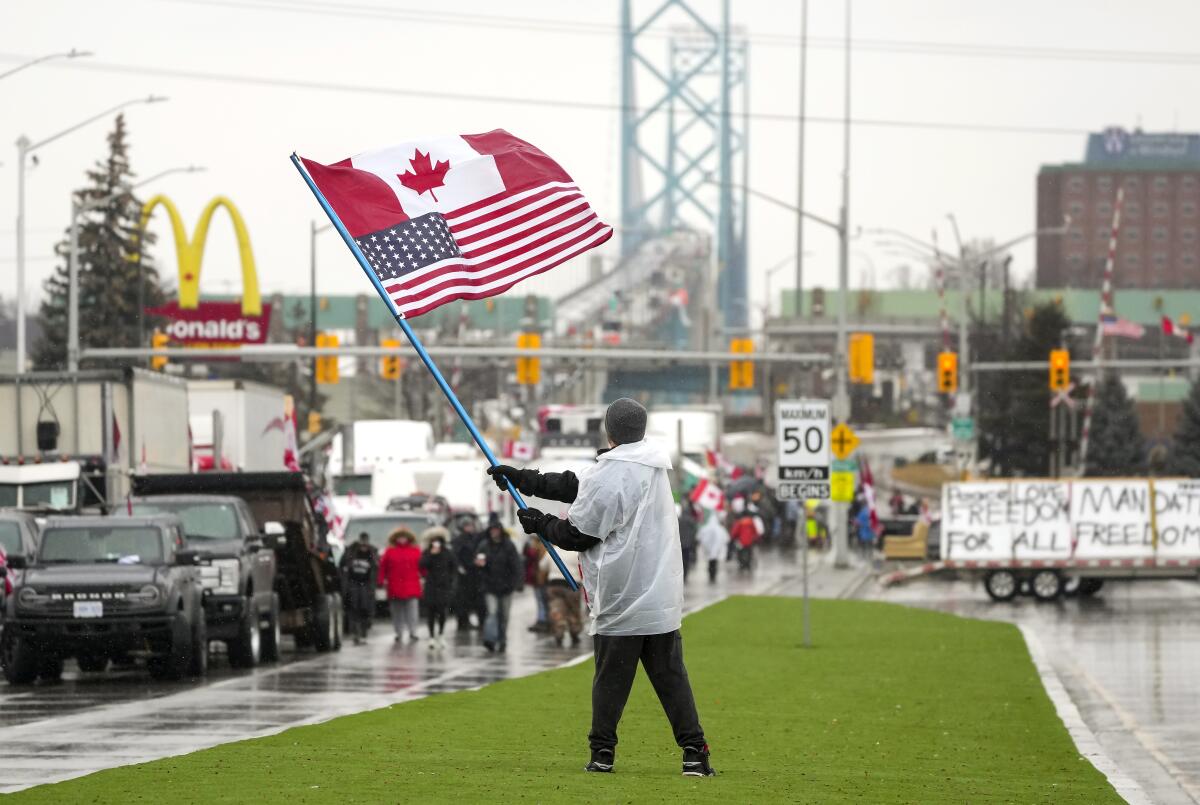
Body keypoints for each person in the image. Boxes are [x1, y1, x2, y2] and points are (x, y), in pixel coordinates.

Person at [487, 397, 716, 778]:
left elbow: (578, 534)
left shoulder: (614, 474)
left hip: (622, 597)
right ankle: (695, 754)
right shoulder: (651, 462)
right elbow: (578, 484)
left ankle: (602, 755)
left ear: (609, 430)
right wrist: (522, 478)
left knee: (610, 682)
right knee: (672, 680)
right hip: (659, 598)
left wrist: (538, 522)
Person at [475, 514, 522, 653]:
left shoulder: (509, 545)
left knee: (504, 616)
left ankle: (502, 640)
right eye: (492, 530)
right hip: (490, 586)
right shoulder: (483, 546)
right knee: (492, 613)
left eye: (496, 529)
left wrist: (517, 582)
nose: (494, 532)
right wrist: (479, 567)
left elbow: (516, 565)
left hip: (506, 586)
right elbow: (478, 565)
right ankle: (490, 639)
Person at [378, 528, 422, 644]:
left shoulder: (416, 551)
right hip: (394, 585)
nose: (402, 539)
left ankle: (413, 632)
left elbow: (422, 567)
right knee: (396, 612)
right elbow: (383, 567)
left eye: (404, 537)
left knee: (412, 611)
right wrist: (381, 580)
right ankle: (398, 632)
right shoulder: (389, 551)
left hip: (411, 585)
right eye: (400, 537)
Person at [419, 527, 456, 650]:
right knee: (430, 613)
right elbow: (422, 564)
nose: (436, 542)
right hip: (431, 586)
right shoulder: (427, 552)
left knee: (442, 612)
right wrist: (431, 554)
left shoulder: (447, 552)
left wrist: (450, 581)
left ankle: (441, 634)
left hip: (444, 586)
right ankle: (431, 636)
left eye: (438, 540)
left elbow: (453, 567)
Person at [538, 544, 583, 647]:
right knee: (573, 610)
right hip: (572, 584)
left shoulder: (552, 551)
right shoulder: (576, 552)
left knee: (556, 609)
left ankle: (559, 632)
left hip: (555, 584)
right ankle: (574, 631)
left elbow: (542, 566)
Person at [339, 532, 379, 645]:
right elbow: (342, 566)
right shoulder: (351, 552)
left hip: (366, 585)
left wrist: (374, 585)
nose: (363, 546)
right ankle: (356, 634)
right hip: (353, 584)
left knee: (365, 609)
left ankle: (363, 634)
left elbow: (376, 569)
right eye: (362, 543)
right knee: (353, 609)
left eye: (365, 543)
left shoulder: (372, 553)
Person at [451, 518, 485, 630]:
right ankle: (463, 622)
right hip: (464, 575)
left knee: (477, 599)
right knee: (463, 600)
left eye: (471, 525)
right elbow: (455, 556)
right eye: (467, 526)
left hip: (475, 573)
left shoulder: (475, 538)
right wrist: (460, 567)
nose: (470, 528)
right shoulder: (459, 540)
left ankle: (480, 621)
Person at [524, 537, 549, 633]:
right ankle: (545, 620)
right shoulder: (546, 547)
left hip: (540, 579)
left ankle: (542, 621)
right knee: (543, 601)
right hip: (541, 579)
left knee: (541, 601)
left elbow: (532, 558)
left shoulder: (539, 548)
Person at [695, 512, 729, 583]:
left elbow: (699, 537)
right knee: (714, 562)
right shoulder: (720, 529)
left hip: (708, 550)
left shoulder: (705, 528)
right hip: (716, 552)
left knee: (710, 562)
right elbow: (726, 538)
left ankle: (711, 574)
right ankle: (713, 575)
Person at [677, 502, 699, 582]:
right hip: (688, 544)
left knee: (681, 559)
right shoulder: (691, 520)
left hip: (680, 543)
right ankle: (685, 574)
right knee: (686, 559)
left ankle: (682, 573)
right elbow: (694, 531)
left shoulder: (679, 520)